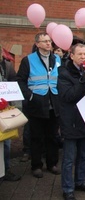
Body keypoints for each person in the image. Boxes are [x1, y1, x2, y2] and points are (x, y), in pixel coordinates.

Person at [16, 32, 61, 178]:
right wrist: (29, 96)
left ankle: (52, 163)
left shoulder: (57, 58)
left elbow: (60, 78)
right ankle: (36, 165)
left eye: (49, 41)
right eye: (45, 41)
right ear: (37, 44)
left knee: (53, 136)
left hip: (54, 102)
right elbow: (20, 80)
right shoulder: (28, 60)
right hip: (36, 103)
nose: (48, 43)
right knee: (36, 136)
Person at [57, 44, 85, 200]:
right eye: (80, 54)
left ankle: (81, 181)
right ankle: (68, 188)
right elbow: (68, 95)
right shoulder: (63, 72)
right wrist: (84, 81)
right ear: (72, 55)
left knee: (83, 155)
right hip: (71, 121)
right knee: (69, 158)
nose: (83, 57)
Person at [0, 48, 21, 181]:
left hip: (3, 110)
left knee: (5, 143)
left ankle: (5, 169)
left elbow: (14, 84)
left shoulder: (6, 65)